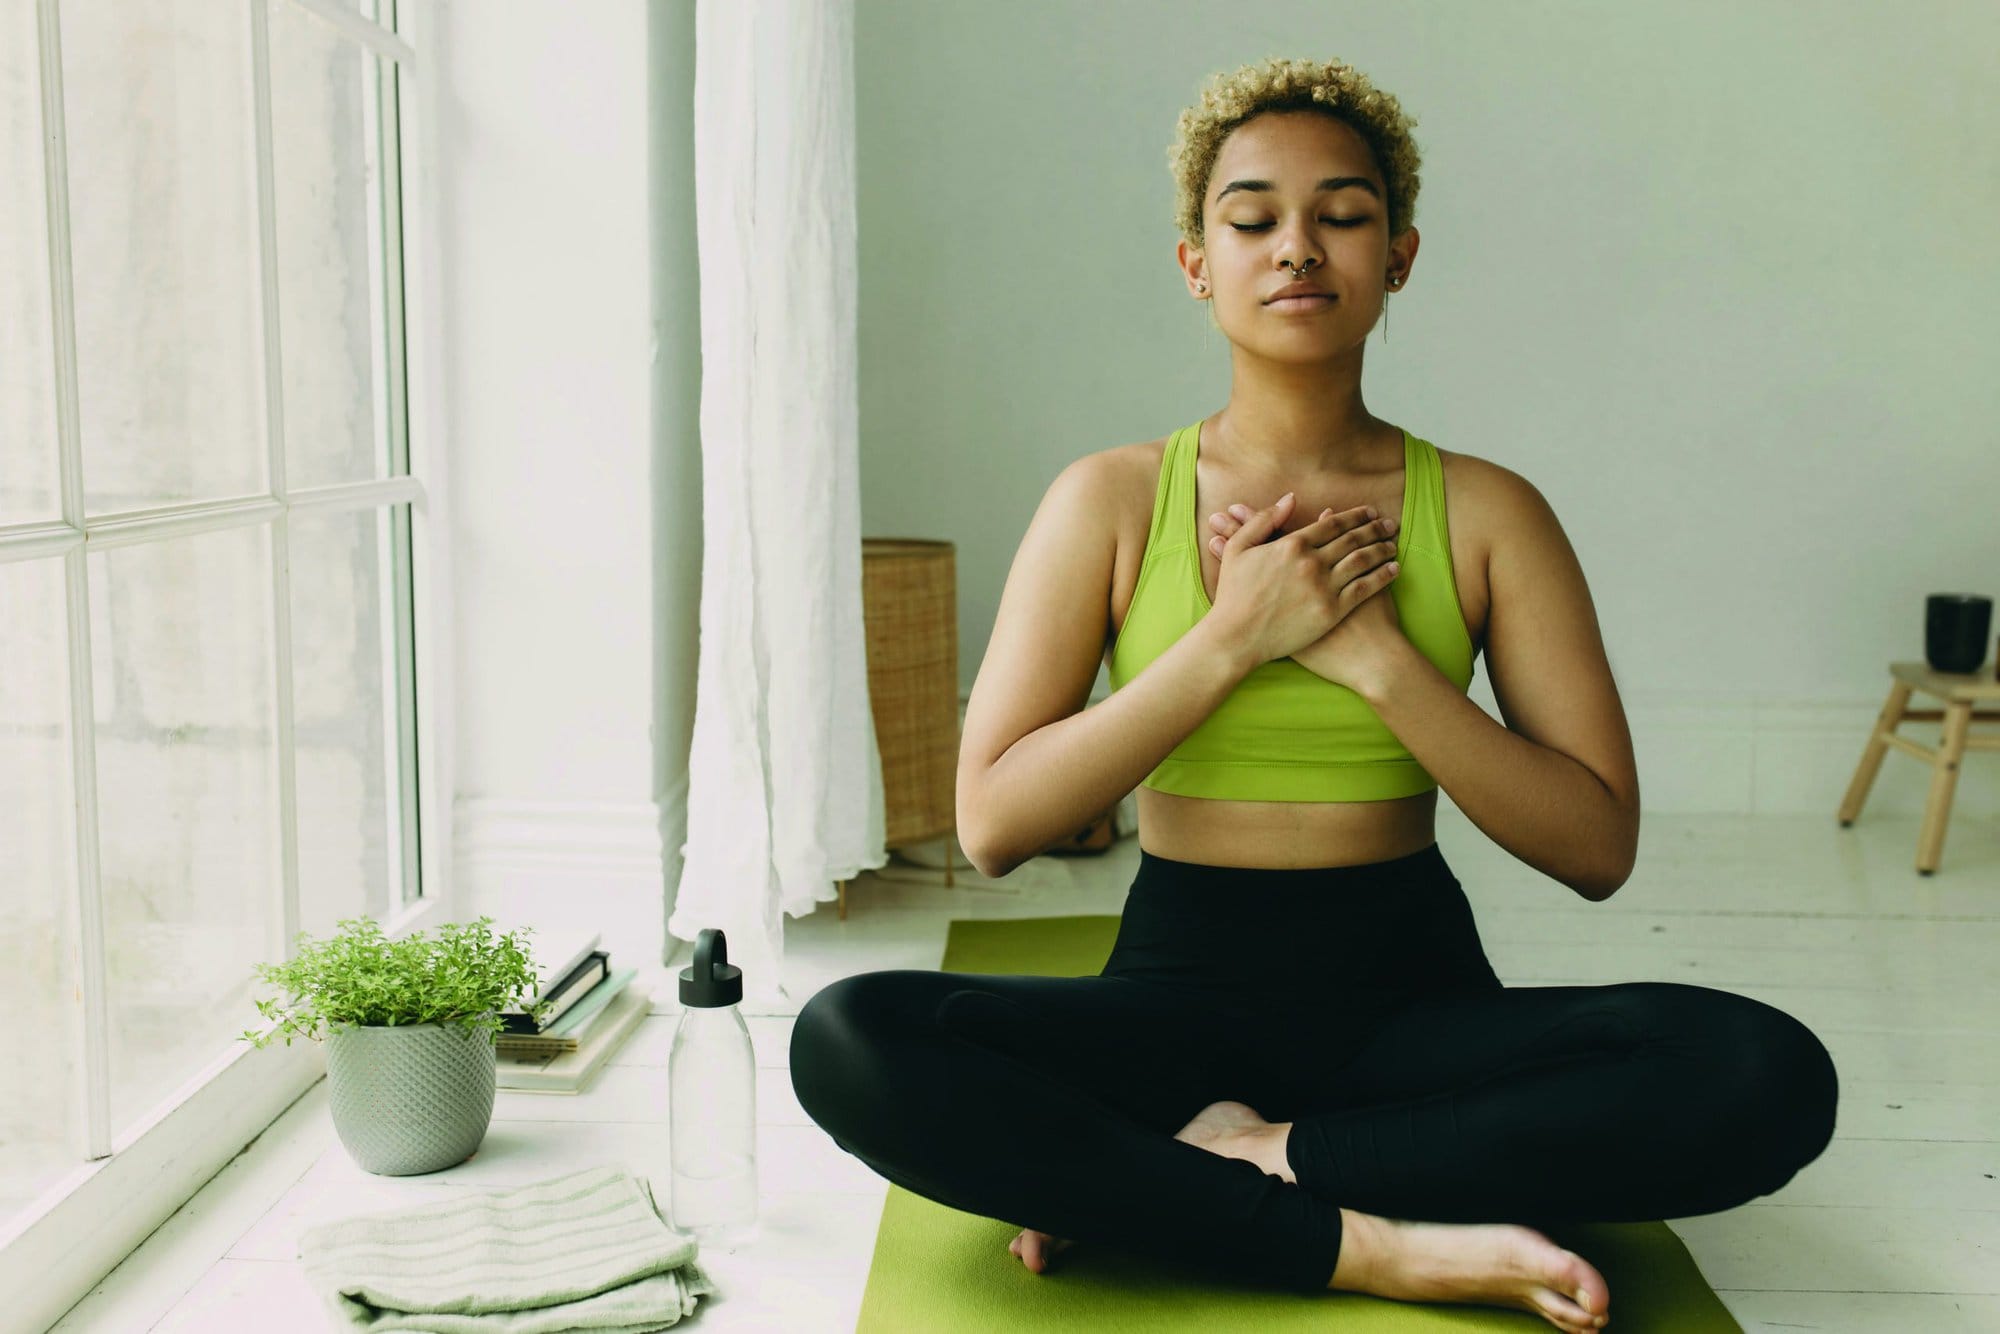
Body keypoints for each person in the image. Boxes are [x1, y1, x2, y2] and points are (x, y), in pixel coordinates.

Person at [789, 55, 1837, 1334]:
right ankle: (1375, 1240)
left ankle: (1234, 1164)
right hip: (1169, 992)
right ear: (1196, 261)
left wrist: (1377, 662)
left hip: (1411, 1000)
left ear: (1396, 256)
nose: (1297, 248)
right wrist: (1228, 639)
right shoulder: (1109, 500)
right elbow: (994, 827)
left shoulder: (1490, 512)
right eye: (1251, 218)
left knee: (1762, 1071)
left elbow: (1595, 845)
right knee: (848, 1033)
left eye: (1340, 214)